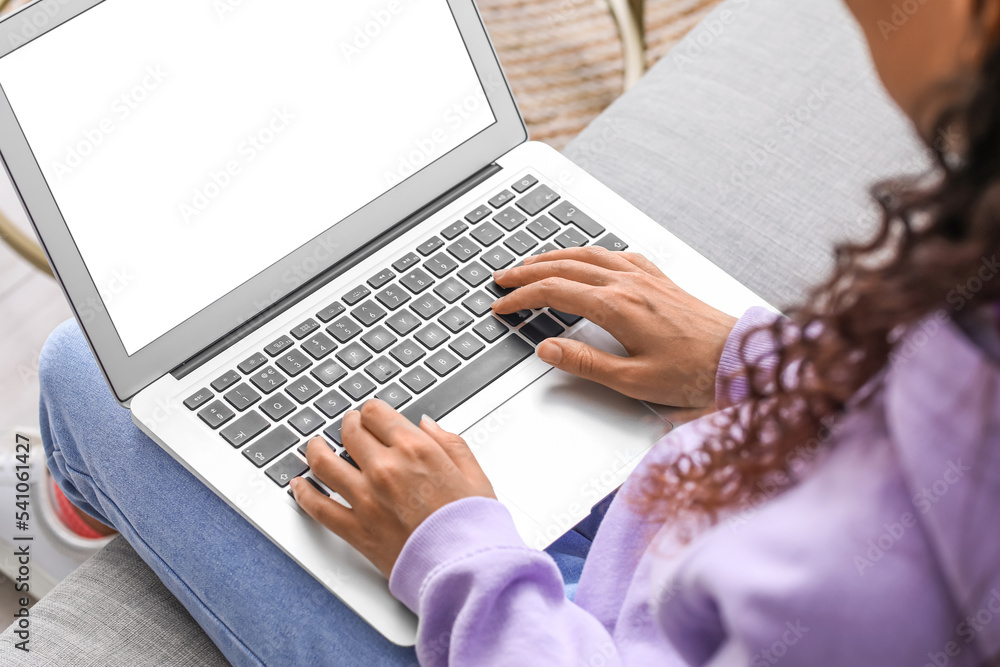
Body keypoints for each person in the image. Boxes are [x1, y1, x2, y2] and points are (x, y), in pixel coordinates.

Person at [39, 0, 1000, 664]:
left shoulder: (876, 581)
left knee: (86, 372)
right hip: (674, 539)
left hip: (556, 632)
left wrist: (458, 553)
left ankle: (77, 521)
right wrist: (757, 364)